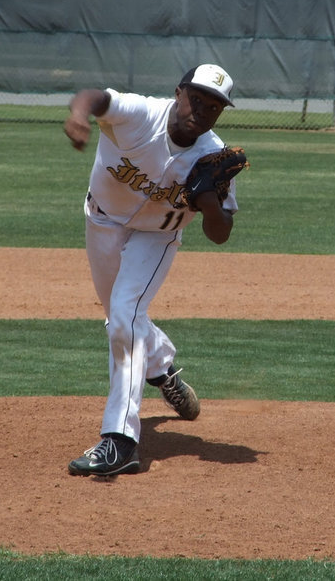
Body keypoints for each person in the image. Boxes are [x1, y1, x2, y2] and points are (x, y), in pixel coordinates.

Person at [63, 64, 242, 476]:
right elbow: (94, 96)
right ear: (178, 93)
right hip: (103, 221)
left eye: (214, 106)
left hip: (157, 238)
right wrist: (78, 116)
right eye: (196, 98)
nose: (202, 110)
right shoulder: (141, 114)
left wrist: (209, 202)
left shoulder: (213, 156)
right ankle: (161, 369)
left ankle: (120, 441)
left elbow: (221, 234)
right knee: (121, 316)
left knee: (124, 317)